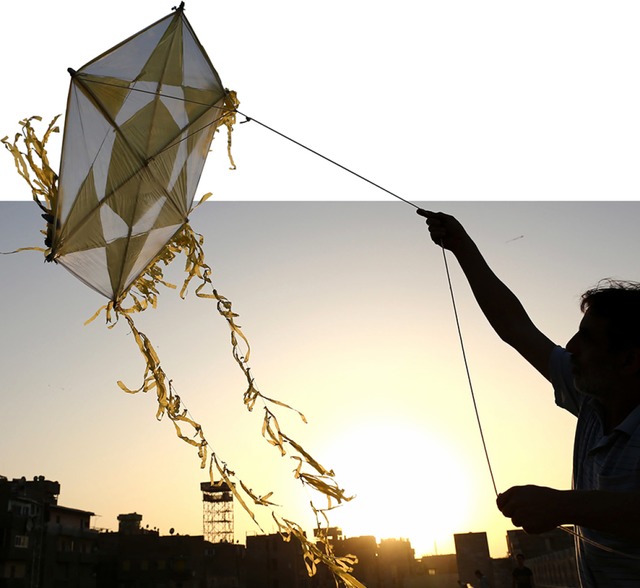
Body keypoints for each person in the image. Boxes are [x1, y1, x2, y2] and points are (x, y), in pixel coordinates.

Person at [418, 209, 640, 588]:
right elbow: (515, 327)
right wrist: (462, 248)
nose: (569, 347)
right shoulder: (589, 397)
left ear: (628, 359)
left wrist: (563, 506)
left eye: (586, 338)